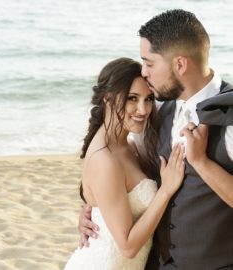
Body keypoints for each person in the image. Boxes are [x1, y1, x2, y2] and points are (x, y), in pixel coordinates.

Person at [78, 9, 233, 270]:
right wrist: (93, 210)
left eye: (149, 63)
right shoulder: (157, 112)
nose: (144, 72)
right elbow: (117, 172)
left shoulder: (230, 115)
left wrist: (201, 163)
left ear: (180, 64)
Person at [64, 57, 185, 270]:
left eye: (148, 99)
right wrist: (165, 191)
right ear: (107, 98)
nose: (143, 109)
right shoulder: (105, 159)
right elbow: (128, 247)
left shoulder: (126, 144)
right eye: (132, 98)